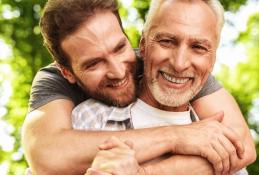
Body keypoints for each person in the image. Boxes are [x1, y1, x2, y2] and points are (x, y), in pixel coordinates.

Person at [21, 0, 256, 174]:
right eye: (166, 41)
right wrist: (176, 136)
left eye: (198, 47)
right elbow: (47, 155)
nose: (180, 63)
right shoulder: (82, 116)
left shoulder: (219, 139)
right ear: (144, 44)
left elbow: (242, 148)